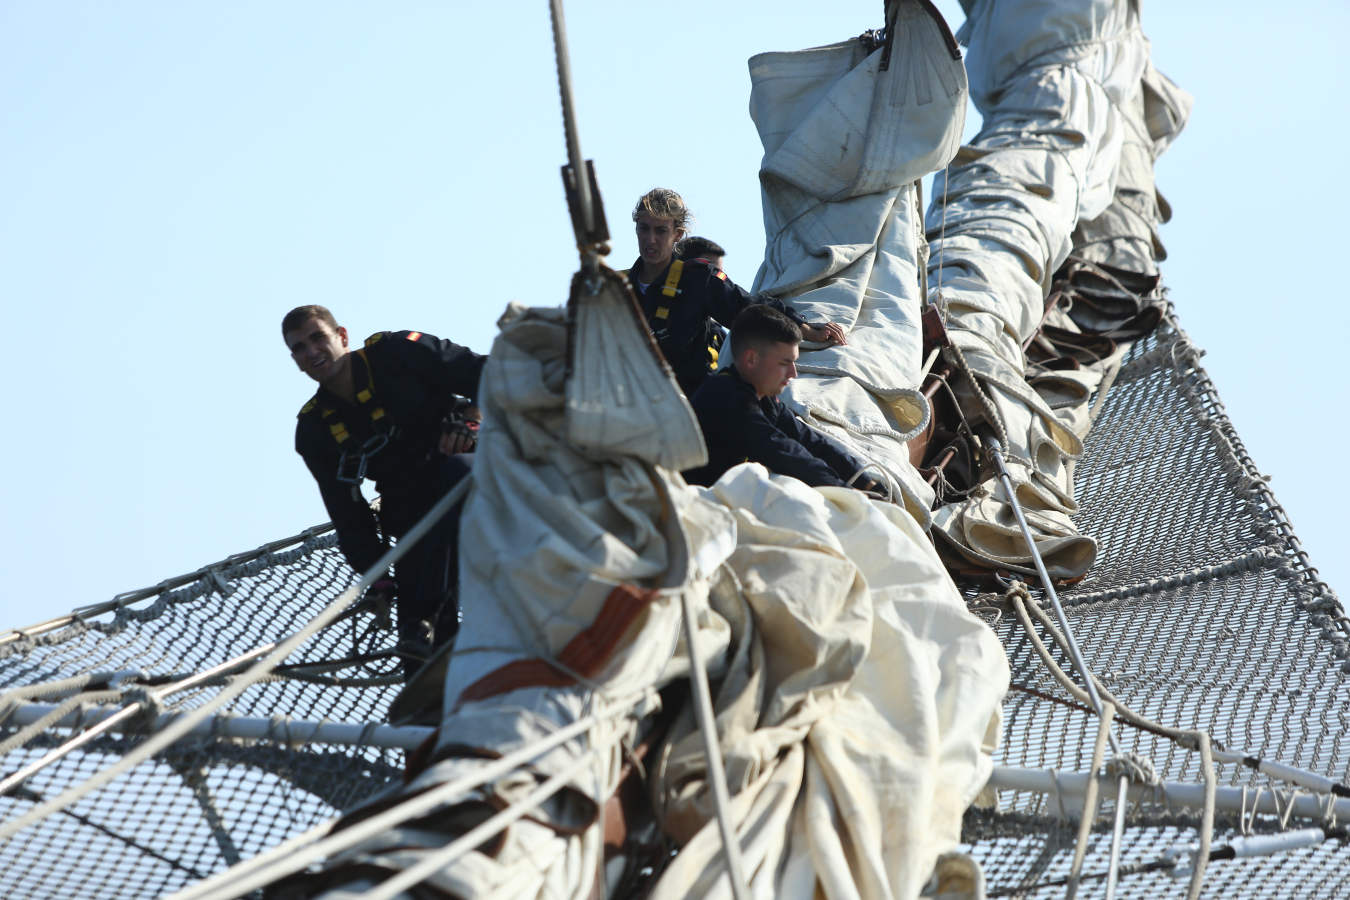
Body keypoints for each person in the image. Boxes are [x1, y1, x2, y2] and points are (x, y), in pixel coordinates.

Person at [283, 304, 485, 675]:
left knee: (457, 474)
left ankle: (425, 612)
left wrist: (470, 423)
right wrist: (377, 575)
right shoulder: (315, 430)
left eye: (317, 338)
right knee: (420, 657)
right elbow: (349, 516)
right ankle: (431, 714)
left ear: (341, 337)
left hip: (475, 479)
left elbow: (490, 375)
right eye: (298, 348)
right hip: (415, 518)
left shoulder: (398, 353)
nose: (310, 352)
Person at [626, 188, 847, 397]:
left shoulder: (698, 280)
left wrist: (806, 329)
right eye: (644, 228)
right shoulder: (617, 288)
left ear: (678, 234)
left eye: (661, 230)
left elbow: (750, 309)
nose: (650, 239)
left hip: (688, 405)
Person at [683, 305, 883, 494]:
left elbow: (808, 440)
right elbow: (782, 452)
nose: (793, 373)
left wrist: (863, 480)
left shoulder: (762, 397)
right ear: (751, 359)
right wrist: (844, 490)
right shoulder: (725, 396)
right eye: (785, 363)